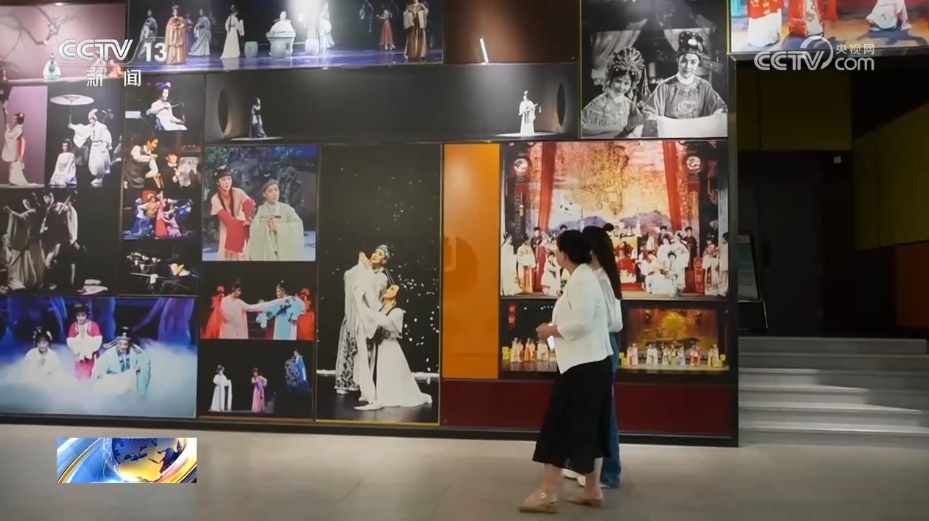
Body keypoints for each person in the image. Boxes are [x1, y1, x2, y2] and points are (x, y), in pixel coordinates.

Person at [519, 230, 615, 513]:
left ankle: (547, 494)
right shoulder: (583, 277)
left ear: (566, 253)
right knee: (590, 428)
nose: (555, 252)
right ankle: (592, 490)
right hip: (590, 364)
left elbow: (583, 322)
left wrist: (551, 330)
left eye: (558, 248)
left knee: (558, 427)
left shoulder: (582, 280)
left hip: (582, 368)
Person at [561, 224, 624, 489]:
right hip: (594, 345)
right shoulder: (594, 277)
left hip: (602, 345)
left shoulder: (600, 279)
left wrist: (584, 320)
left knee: (603, 413)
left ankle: (607, 473)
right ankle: (586, 468)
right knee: (589, 410)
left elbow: (614, 321)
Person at [357, 284, 433, 410]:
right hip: (378, 346)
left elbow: (385, 322)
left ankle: (388, 395)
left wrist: (367, 311)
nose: (387, 290)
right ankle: (375, 394)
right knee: (377, 370)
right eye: (389, 288)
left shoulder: (397, 312)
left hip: (389, 346)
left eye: (392, 289)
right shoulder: (380, 309)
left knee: (389, 372)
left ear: (397, 296)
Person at [642, 32, 726, 135]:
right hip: (672, 139)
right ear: (677, 60)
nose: (688, 66)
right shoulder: (664, 87)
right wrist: (664, 123)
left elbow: (721, 110)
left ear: (698, 63)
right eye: (683, 61)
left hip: (698, 138)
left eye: (693, 62)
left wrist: (716, 117)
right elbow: (648, 114)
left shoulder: (704, 86)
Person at [581, 47, 646, 138]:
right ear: (611, 80)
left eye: (626, 83)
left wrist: (632, 135)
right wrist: (613, 130)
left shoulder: (630, 105)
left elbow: (640, 125)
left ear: (632, 84)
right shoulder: (597, 103)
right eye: (618, 81)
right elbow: (581, 127)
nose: (621, 87)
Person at [248, 179, 304, 260]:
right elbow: (254, 229)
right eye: (270, 191)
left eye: (276, 190)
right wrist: (265, 227)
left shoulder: (287, 209)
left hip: (283, 251)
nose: (274, 193)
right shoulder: (260, 211)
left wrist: (278, 227)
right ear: (264, 194)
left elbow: (298, 225)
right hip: (266, 251)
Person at [209, 167, 255, 261]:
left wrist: (248, 218)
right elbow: (224, 216)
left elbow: (248, 203)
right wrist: (241, 223)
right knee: (227, 255)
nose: (227, 182)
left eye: (229, 179)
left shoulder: (238, 191)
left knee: (244, 253)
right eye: (223, 179)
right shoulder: (215, 198)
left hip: (241, 222)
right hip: (226, 227)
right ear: (217, 182)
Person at [65, 303, 103, 380]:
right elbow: (70, 342)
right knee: (79, 376)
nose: (80, 318)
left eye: (83, 315)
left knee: (92, 375)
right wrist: (79, 348)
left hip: (92, 357)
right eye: (78, 315)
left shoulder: (93, 325)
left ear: (87, 315)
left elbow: (97, 340)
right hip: (79, 356)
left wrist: (87, 346)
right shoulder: (73, 326)